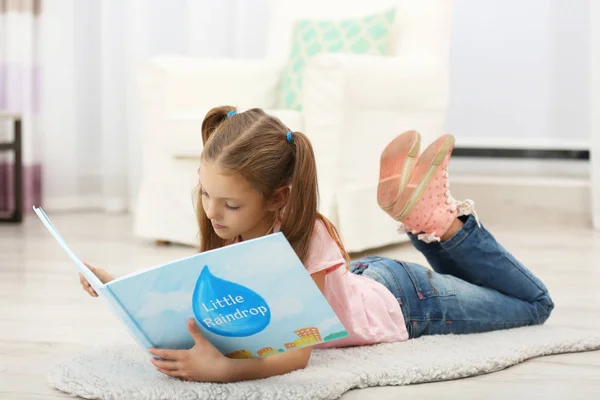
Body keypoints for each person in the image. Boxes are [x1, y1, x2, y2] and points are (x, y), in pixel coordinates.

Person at [79, 106, 554, 383]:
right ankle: (428, 221)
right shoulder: (235, 222)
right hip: (363, 285)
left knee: (533, 304)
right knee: (491, 293)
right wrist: (120, 287)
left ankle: (441, 225)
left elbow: (299, 352)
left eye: (230, 204)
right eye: (205, 194)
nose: (211, 212)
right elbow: (190, 295)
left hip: (409, 305)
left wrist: (224, 372)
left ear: (277, 198)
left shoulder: (308, 236)